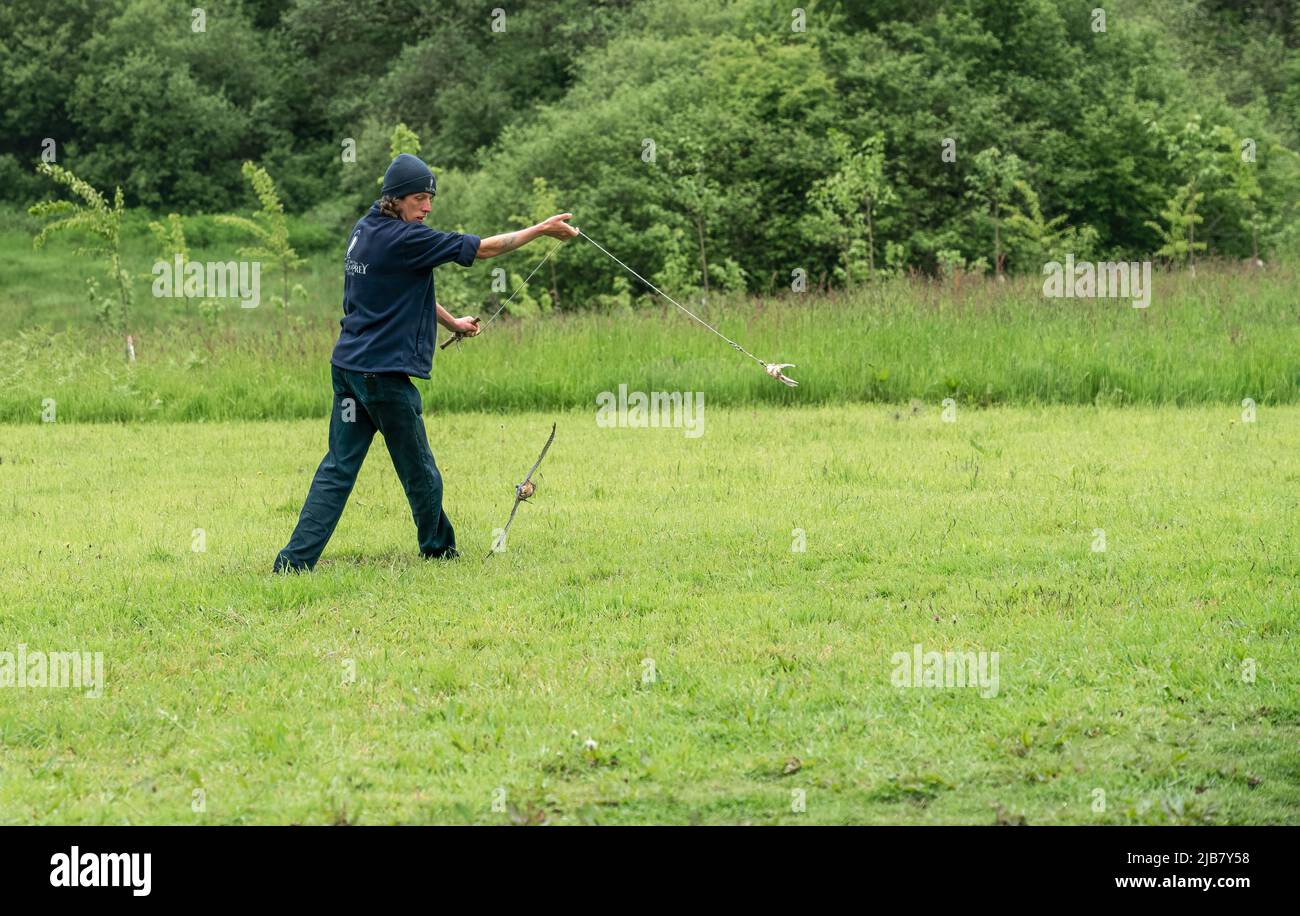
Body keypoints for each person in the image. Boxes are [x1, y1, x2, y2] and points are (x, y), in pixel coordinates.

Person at [273, 153, 577, 572]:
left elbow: (398, 288)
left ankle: (292, 562)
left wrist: (452, 321)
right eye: (419, 198)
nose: (427, 207)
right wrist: (542, 230)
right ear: (395, 199)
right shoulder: (407, 239)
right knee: (420, 471)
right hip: (382, 379)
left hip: (348, 373)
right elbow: (484, 249)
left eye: (430, 198)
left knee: (337, 469)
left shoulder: (365, 231)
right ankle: (439, 551)